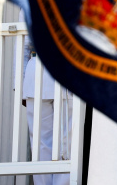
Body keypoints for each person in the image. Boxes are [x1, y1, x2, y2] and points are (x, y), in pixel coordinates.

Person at [20, 10, 73, 185]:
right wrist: (19, 83)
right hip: (36, 74)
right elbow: (22, 44)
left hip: (67, 74)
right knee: (40, 142)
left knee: (67, 143)